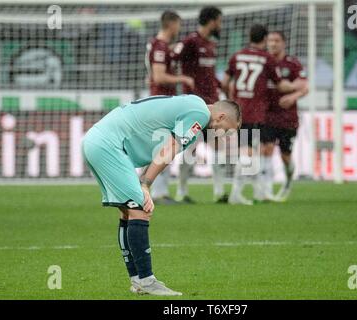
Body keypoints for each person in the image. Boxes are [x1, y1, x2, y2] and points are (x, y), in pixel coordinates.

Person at [82, 95, 241, 296]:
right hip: (109, 145)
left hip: (96, 141)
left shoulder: (192, 104)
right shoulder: (199, 114)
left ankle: (138, 280)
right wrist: (146, 184)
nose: (223, 135)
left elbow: (162, 150)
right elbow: (170, 148)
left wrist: (144, 182)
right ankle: (147, 281)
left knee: (128, 211)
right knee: (139, 209)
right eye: (227, 130)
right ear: (221, 116)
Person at [222, 24, 301, 205]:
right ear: (264, 39)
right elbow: (281, 86)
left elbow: (226, 82)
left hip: (239, 109)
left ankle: (257, 192)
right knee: (248, 152)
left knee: (250, 150)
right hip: (255, 111)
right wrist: (297, 87)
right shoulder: (266, 59)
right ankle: (236, 193)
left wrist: (230, 98)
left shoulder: (237, 56)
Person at [172, 6, 226, 203]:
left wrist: (222, 86)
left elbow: (209, 75)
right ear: (211, 21)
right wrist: (180, 78)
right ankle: (181, 191)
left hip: (212, 104)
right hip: (193, 106)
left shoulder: (210, 45)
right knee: (190, 147)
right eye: (219, 21)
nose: (220, 25)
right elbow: (172, 57)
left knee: (217, 144)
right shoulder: (190, 41)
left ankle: (220, 192)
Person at [145, 10, 195, 205]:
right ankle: (158, 192)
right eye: (178, 25)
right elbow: (158, 76)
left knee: (164, 146)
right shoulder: (159, 47)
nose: (179, 29)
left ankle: (156, 190)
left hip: (162, 101)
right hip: (160, 102)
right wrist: (182, 78)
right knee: (163, 147)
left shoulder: (160, 46)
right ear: (171, 24)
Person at [262, 30, 308, 202]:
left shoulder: (292, 64)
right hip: (266, 115)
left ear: (283, 43)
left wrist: (292, 96)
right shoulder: (264, 62)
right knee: (266, 150)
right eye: (270, 40)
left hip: (287, 117)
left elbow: (305, 86)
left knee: (285, 155)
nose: (273, 44)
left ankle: (288, 181)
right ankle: (266, 190)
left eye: (277, 40)